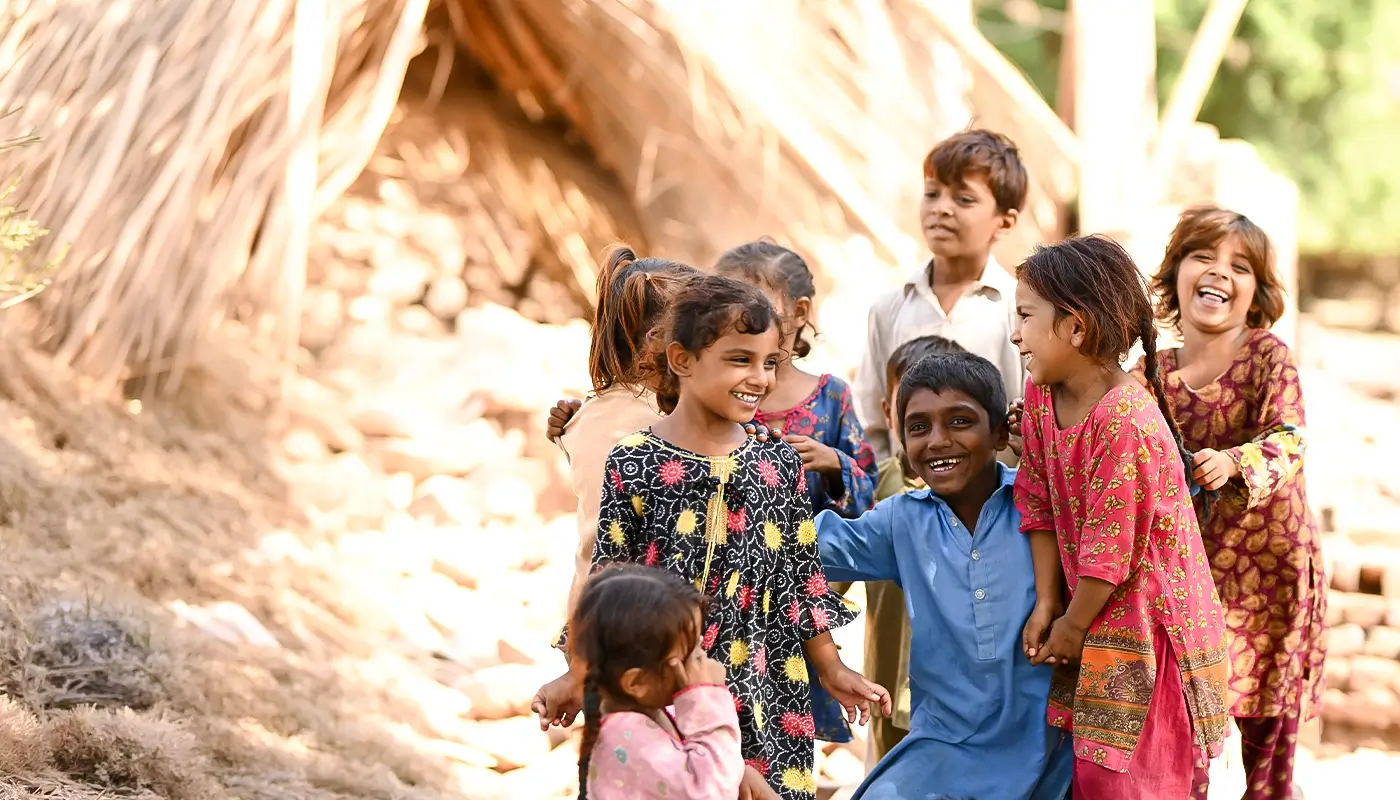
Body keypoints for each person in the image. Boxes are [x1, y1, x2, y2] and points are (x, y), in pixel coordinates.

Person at [534, 274, 890, 800]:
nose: (761, 378)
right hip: (663, 685)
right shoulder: (635, 461)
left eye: (770, 362)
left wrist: (832, 667)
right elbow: (608, 581)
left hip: (768, 683)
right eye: (740, 359)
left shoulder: (776, 461)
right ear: (682, 360)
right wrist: (578, 673)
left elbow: (800, 578)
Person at [1011, 234, 1230, 798]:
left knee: (1127, 782)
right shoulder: (1041, 395)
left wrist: (1072, 625)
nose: (1015, 334)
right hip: (1092, 609)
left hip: (1151, 627)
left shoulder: (1127, 420)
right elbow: (1035, 496)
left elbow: (1112, 551)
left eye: (1026, 317)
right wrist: (1047, 602)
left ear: (1076, 327)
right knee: (1089, 776)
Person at [815, 351, 1073, 799]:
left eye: (959, 421)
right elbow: (790, 551)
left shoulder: (1045, 503)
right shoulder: (901, 522)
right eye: (918, 427)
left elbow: (1141, 492)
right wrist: (828, 662)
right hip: (944, 750)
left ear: (999, 432)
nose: (937, 441)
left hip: (1053, 750)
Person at [1134, 207, 1326, 800]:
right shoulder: (1151, 373)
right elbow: (1119, 443)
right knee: (1183, 747)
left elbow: (1289, 438)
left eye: (1239, 266)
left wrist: (1236, 461)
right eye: (1203, 257)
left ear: (1256, 293)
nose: (1219, 272)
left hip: (1270, 591)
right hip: (1189, 588)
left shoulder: (1269, 355)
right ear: (1175, 274)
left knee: (1268, 765)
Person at [715, 238, 878, 745]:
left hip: (800, 607)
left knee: (783, 736)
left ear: (800, 311)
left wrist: (834, 466)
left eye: (756, 306)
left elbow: (869, 500)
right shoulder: (718, 395)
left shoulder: (831, 397)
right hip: (722, 598)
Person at [854, 129, 1028, 462]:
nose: (942, 209)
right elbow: (871, 424)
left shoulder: (1018, 310)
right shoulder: (889, 310)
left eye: (964, 199)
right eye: (932, 194)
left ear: (1004, 223)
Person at [551, 245, 696, 618]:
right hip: (638, 620)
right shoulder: (667, 424)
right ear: (661, 343)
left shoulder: (588, 415)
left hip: (591, 613)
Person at [858, 334, 967, 765]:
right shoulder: (876, 485)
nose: (935, 435)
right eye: (915, 416)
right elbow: (830, 575)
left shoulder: (986, 492)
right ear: (889, 412)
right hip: (887, 684)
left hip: (961, 690)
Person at [571, 563, 743, 799]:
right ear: (637, 682)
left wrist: (744, 774)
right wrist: (709, 696)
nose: (703, 660)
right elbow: (708, 793)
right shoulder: (624, 737)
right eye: (691, 655)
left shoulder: (646, 712)